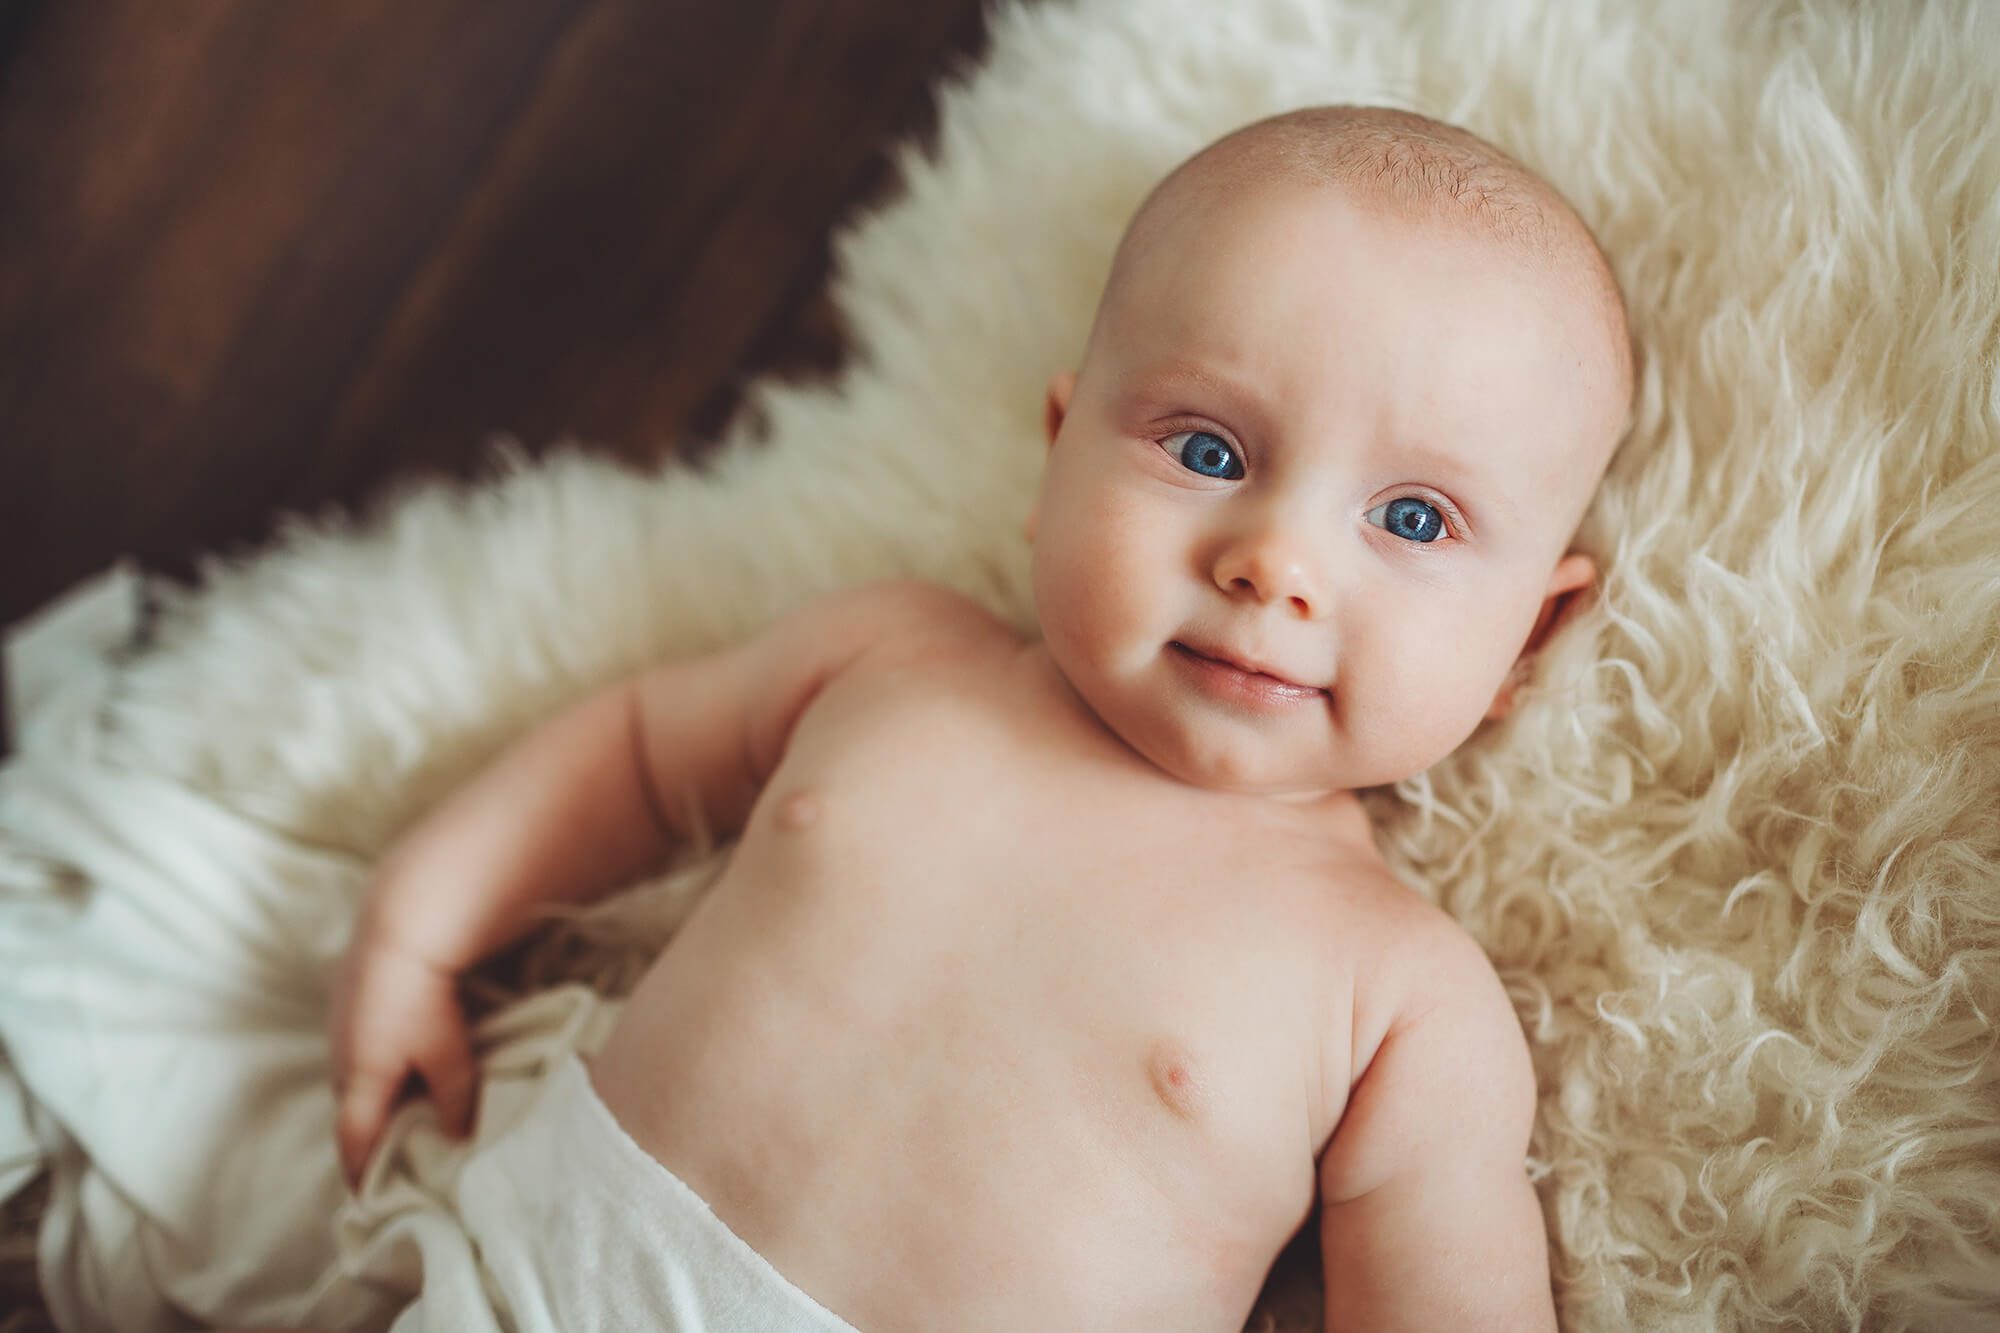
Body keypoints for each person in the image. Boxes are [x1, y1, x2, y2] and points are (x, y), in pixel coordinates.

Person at [328, 103, 1635, 1332]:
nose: (1274, 561)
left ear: (1527, 635)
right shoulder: (894, 658)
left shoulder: (1401, 997)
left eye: (1413, 518)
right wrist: (422, 921)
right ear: (1059, 451)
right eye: (1208, 450)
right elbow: (637, 753)